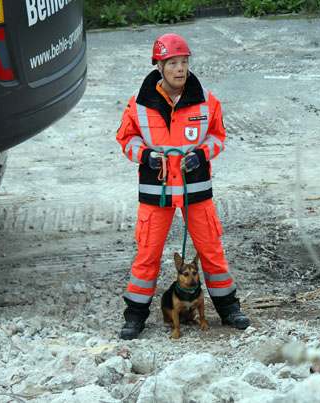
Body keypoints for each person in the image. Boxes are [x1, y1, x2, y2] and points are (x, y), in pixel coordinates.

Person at [116, 33, 250, 340]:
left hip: (195, 191)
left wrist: (202, 154)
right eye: (173, 63)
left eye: (184, 62)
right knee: (147, 255)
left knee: (212, 252)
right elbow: (126, 138)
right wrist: (146, 155)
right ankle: (134, 316)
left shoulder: (206, 101)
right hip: (156, 193)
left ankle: (229, 308)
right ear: (159, 67)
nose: (180, 69)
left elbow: (218, 136)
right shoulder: (139, 104)